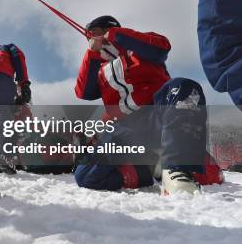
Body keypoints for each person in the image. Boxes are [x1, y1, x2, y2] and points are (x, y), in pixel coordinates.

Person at [74, 15, 214, 195]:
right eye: (89, 37)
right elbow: (84, 92)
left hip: (156, 116)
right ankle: (149, 170)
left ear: (110, 29)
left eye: (97, 33)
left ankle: (177, 170)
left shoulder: (137, 47)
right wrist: (92, 53)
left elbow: (161, 48)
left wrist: (116, 35)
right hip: (122, 130)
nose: (93, 39)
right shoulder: (99, 68)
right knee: (86, 176)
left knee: (183, 87)